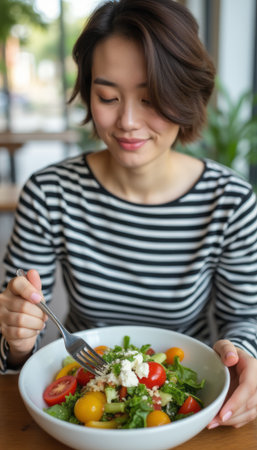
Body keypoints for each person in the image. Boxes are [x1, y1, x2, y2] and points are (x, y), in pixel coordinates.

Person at [0, 0, 257, 430]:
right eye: (108, 97)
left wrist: (241, 353)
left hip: (185, 411)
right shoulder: (49, 192)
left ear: (186, 94)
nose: (128, 122)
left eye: (152, 98)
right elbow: (17, 345)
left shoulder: (229, 200)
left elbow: (245, 318)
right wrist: (18, 335)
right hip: (82, 402)